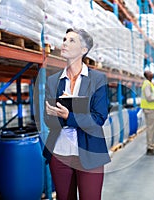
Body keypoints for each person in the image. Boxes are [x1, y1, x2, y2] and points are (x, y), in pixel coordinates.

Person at [43, 28, 111, 200]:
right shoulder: (53, 81)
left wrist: (68, 115)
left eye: (72, 40)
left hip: (89, 152)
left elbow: (99, 118)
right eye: (64, 39)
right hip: (59, 154)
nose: (64, 43)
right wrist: (52, 114)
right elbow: (48, 119)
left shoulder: (97, 79)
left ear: (83, 50)